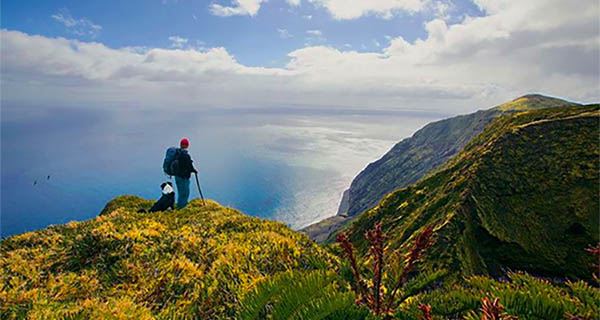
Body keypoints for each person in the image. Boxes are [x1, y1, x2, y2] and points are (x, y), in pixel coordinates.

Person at [173, 137, 197, 208]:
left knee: (180, 192)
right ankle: (182, 208)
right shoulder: (185, 155)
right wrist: (194, 170)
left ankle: (180, 206)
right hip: (183, 177)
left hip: (177, 176)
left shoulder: (177, 153)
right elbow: (188, 166)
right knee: (185, 193)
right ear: (187, 145)